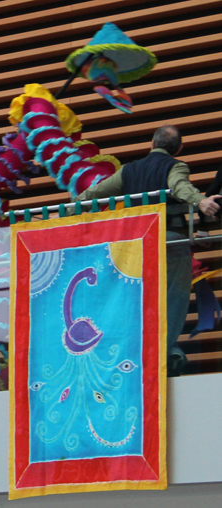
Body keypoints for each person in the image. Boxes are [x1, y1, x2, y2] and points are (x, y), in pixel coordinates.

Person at [75, 125, 221, 376]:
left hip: (134, 245)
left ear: (151, 143)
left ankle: (136, 350)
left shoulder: (128, 171)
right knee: (173, 297)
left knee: (137, 297)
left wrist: (67, 211)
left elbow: (92, 194)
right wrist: (201, 200)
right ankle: (165, 350)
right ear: (179, 149)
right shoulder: (175, 166)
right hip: (168, 241)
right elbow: (178, 187)